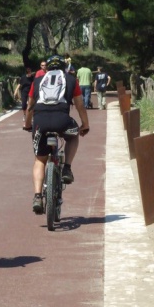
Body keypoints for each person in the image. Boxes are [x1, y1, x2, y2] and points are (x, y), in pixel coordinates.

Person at [23, 54, 90, 214]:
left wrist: (27, 124)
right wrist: (85, 124)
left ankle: (38, 196)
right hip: (62, 120)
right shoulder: (71, 80)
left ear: (47, 67)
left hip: (40, 122)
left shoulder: (38, 80)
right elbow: (80, 104)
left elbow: (30, 104)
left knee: (40, 160)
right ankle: (67, 168)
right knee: (73, 136)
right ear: (63, 67)